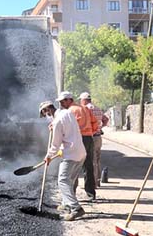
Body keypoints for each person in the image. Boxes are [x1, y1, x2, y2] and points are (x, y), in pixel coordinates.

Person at [44, 93, 87, 221]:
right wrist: (55, 125)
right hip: (81, 152)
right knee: (70, 180)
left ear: (48, 111)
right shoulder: (67, 113)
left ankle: (76, 208)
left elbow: (55, 144)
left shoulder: (57, 121)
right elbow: (68, 129)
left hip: (70, 154)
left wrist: (48, 156)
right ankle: (66, 204)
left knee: (62, 180)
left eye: (45, 114)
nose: (45, 117)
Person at [64, 92, 99, 200]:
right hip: (88, 139)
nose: (61, 104)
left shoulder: (71, 111)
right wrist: (91, 133)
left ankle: (72, 194)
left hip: (78, 139)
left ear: (69, 100)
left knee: (73, 165)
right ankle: (91, 194)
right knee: (88, 166)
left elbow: (68, 126)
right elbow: (95, 122)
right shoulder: (85, 108)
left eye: (62, 101)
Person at [79, 92, 109, 185]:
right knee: (97, 159)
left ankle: (92, 183)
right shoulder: (97, 109)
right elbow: (106, 119)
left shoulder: (84, 110)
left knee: (90, 160)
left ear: (83, 100)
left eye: (80, 100)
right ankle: (97, 181)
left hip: (88, 137)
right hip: (98, 137)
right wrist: (100, 128)